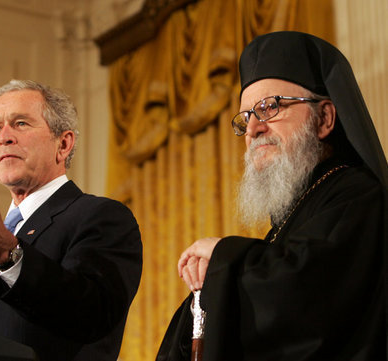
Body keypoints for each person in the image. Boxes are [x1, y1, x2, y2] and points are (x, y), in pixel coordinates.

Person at [157, 31, 387, 360]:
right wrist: (202, 296)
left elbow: (301, 303)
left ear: (324, 118)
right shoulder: (289, 221)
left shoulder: (359, 197)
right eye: (246, 118)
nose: (252, 129)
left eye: (269, 107)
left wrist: (222, 256)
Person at [0, 80, 142, 361]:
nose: (4, 137)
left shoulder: (100, 218)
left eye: (20, 123)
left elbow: (94, 314)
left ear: (64, 143)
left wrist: (9, 255)